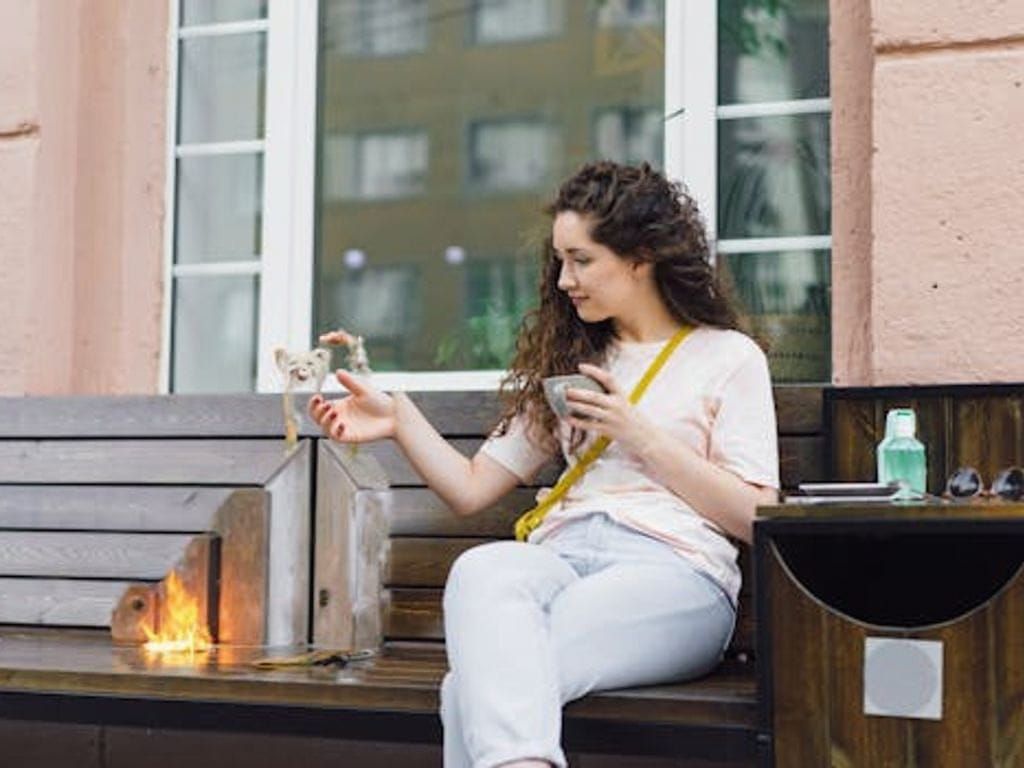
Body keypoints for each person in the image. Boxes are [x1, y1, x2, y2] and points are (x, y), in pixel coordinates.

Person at [308, 161, 780, 768]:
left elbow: (757, 516)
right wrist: (400, 420)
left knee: (473, 688)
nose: (564, 280)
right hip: (559, 559)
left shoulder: (726, 357)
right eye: (560, 260)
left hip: (672, 575)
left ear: (641, 256)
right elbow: (473, 487)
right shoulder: (575, 359)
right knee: (482, 571)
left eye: (581, 260)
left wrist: (639, 435)